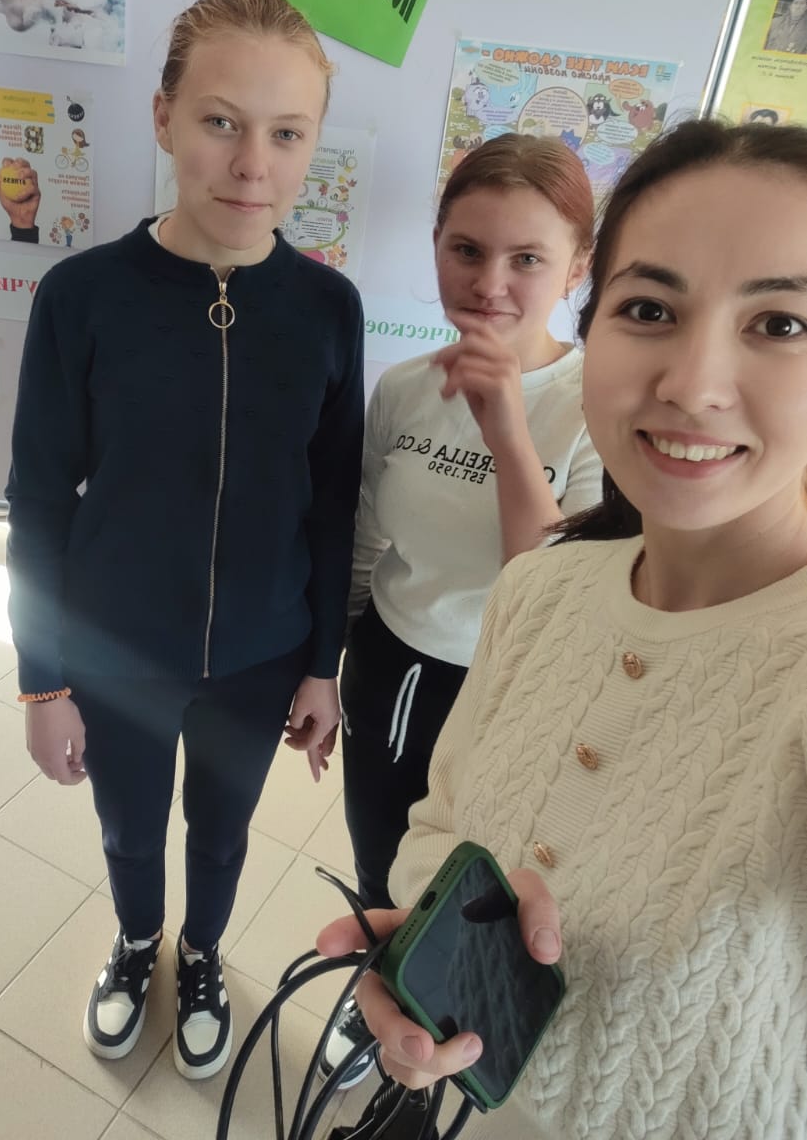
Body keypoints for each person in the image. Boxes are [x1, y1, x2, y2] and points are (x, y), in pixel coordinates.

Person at [319, 118, 807, 1139]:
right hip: (391, 668)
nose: (692, 383)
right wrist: (426, 962)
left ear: (567, 274)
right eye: (650, 308)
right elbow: (439, 831)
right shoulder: (543, 593)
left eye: (780, 324)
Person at [5, 0, 363, 1080]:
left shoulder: (327, 307)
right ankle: (136, 940)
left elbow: (333, 500)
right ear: (163, 118)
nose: (252, 164)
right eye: (220, 121)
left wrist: (322, 665)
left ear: (311, 145)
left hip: (260, 657)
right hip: (115, 649)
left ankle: (202, 951)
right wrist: (42, 683)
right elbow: (38, 496)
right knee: (127, 828)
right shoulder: (82, 296)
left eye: (286, 133)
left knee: (222, 826)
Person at [322, 135, 601, 1085]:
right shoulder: (404, 387)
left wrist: (507, 428)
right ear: (435, 245)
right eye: (466, 250)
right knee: (381, 860)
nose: (490, 283)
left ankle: (457, 1029)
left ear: (576, 267)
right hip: (392, 667)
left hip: (511, 690)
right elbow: (366, 539)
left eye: (527, 258)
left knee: (478, 883)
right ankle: (380, 998)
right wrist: (322, 669)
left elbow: (551, 586)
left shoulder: (598, 405)